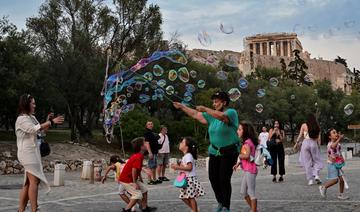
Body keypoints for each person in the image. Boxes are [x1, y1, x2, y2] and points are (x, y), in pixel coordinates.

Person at [173, 91, 240, 212]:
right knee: (213, 178)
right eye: (213, 102)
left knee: (224, 178)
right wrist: (182, 107)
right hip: (214, 152)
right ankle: (220, 202)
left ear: (224, 102)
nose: (214, 103)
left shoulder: (231, 113)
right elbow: (196, 114)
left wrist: (205, 108)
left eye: (216, 101)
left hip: (229, 152)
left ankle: (226, 206)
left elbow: (222, 117)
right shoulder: (211, 116)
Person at [16, 94, 64, 212]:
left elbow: (40, 132)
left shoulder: (31, 118)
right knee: (35, 181)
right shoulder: (21, 119)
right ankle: (34, 209)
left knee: (27, 183)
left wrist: (48, 121)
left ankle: (20, 210)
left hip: (33, 153)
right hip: (26, 153)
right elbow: (33, 129)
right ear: (26, 104)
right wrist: (51, 122)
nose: (35, 105)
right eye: (33, 103)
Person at [119, 137, 156, 212]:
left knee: (144, 190)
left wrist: (144, 171)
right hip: (127, 180)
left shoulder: (139, 155)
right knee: (137, 195)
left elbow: (137, 167)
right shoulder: (138, 157)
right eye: (145, 143)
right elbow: (134, 170)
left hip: (130, 178)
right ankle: (127, 210)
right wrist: (135, 183)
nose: (147, 144)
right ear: (141, 147)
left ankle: (144, 208)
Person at [171, 137, 205, 212]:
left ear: (186, 147)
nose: (180, 143)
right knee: (183, 197)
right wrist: (179, 166)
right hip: (186, 179)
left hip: (189, 179)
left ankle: (195, 210)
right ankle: (195, 209)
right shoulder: (186, 156)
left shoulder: (188, 156)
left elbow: (189, 168)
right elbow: (185, 167)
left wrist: (177, 167)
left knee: (190, 197)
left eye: (182, 142)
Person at [233, 122, 258, 212]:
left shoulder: (247, 143)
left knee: (251, 192)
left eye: (239, 129)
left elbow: (246, 156)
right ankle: (254, 209)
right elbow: (246, 156)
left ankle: (254, 210)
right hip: (248, 169)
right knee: (243, 192)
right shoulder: (247, 142)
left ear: (245, 131)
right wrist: (238, 164)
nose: (237, 131)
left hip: (250, 170)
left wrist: (238, 155)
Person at [319, 128, 349, 200]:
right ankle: (323, 187)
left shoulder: (338, 143)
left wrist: (342, 159)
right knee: (335, 180)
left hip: (337, 164)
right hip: (331, 164)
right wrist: (339, 138)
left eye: (336, 132)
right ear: (330, 137)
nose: (336, 134)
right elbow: (333, 146)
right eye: (334, 133)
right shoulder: (330, 144)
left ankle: (341, 195)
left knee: (342, 180)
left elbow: (338, 152)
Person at [299, 114, 324, 185]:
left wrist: (297, 143)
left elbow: (300, 135)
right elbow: (319, 139)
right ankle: (316, 175)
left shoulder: (304, 125)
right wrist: (318, 146)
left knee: (307, 162)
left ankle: (310, 180)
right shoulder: (317, 126)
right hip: (313, 143)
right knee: (317, 160)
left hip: (305, 144)